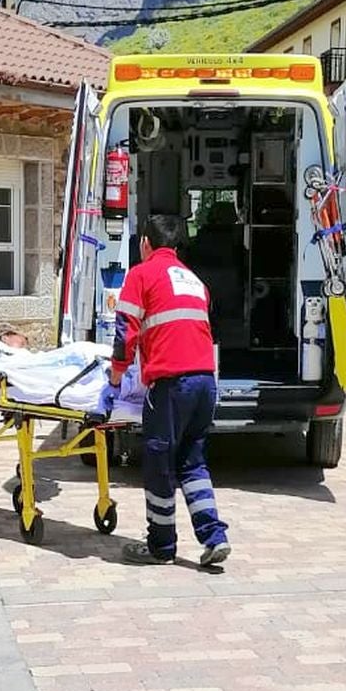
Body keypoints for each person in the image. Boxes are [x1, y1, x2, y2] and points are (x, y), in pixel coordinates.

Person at [102, 215, 231, 567]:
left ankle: (161, 546)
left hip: (171, 383)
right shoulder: (195, 281)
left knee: (159, 461)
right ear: (176, 246)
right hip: (206, 380)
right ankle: (214, 536)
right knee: (192, 460)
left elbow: (125, 334)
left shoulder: (141, 275)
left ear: (145, 243)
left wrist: (114, 382)